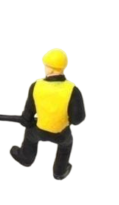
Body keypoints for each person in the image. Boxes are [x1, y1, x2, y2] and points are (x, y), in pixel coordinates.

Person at [8, 47, 89, 185]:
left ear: (50, 69)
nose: (44, 69)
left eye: (45, 66)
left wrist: (26, 122)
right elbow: (79, 121)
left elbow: (27, 115)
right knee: (68, 143)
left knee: (29, 134)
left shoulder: (35, 85)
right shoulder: (73, 89)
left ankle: (27, 159)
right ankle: (59, 173)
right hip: (61, 135)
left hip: (39, 131)